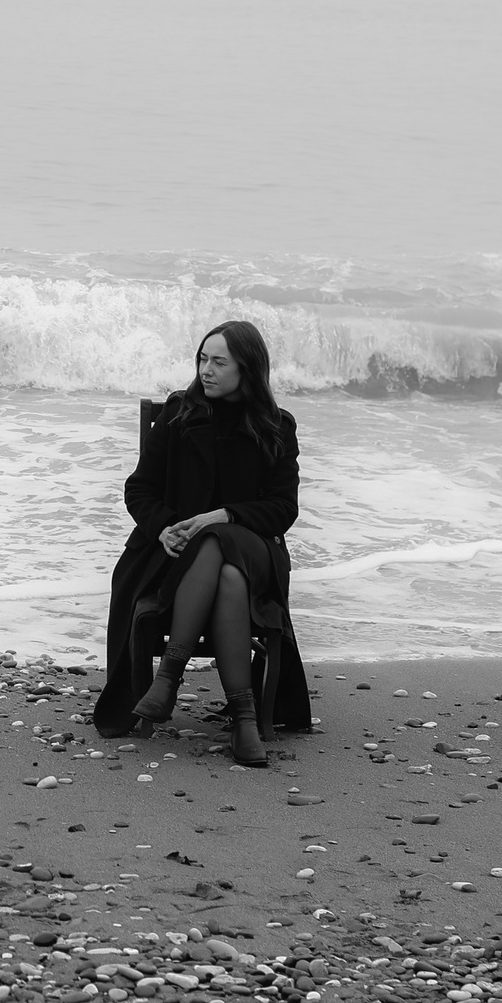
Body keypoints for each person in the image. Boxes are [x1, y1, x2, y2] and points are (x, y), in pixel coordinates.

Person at [92, 319, 312, 763]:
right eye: (202, 359)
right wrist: (163, 528)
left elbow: (282, 509)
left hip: (254, 552)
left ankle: (168, 677)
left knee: (218, 543)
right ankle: (245, 721)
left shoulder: (275, 426)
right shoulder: (178, 413)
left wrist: (225, 515)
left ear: (247, 369)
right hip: (174, 556)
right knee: (225, 574)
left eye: (218, 361)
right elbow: (139, 489)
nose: (205, 369)